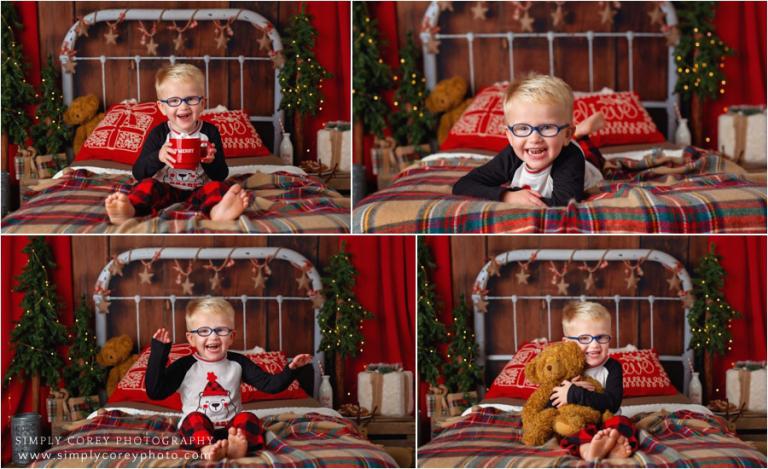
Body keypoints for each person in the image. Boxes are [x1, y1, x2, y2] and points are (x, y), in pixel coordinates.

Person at [145, 298, 313, 461]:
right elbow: (155, 391)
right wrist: (159, 353)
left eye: (221, 330)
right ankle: (207, 448)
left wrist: (292, 369)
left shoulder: (238, 362)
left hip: (233, 430)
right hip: (199, 430)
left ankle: (237, 448)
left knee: (248, 417)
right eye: (204, 331)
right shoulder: (185, 366)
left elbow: (270, 385)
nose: (213, 337)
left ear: (232, 336)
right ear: (191, 338)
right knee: (194, 418)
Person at [105, 64, 249, 224]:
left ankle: (218, 211)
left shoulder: (210, 132)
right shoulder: (159, 133)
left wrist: (211, 161)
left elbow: (221, 174)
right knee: (147, 186)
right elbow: (138, 172)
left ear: (203, 103)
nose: (183, 106)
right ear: (162, 107)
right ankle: (130, 210)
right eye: (174, 100)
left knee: (217, 187)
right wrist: (159, 156)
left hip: (199, 190)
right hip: (166, 189)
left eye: (191, 99)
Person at [452, 75, 604, 207]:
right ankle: (575, 132)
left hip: (586, 163)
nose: (534, 138)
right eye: (523, 128)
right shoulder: (512, 156)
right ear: (509, 136)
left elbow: (563, 204)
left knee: (591, 155)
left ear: (567, 134)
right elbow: (463, 185)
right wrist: (507, 196)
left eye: (547, 127)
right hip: (559, 141)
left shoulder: (570, 158)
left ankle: (581, 134)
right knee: (555, 142)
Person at [552, 301, 637, 461]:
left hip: (608, 421)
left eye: (601, 337)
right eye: (584, 338)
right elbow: (549, 403)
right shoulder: (561, 367)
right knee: (566, 429)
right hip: (578, 422)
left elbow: (612, 403)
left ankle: (612, 446)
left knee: (623, 423)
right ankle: (588, 450)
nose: (595, 345)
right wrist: (565, 394)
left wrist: (575, 394)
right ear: (567, 343)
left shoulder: (612, 367)